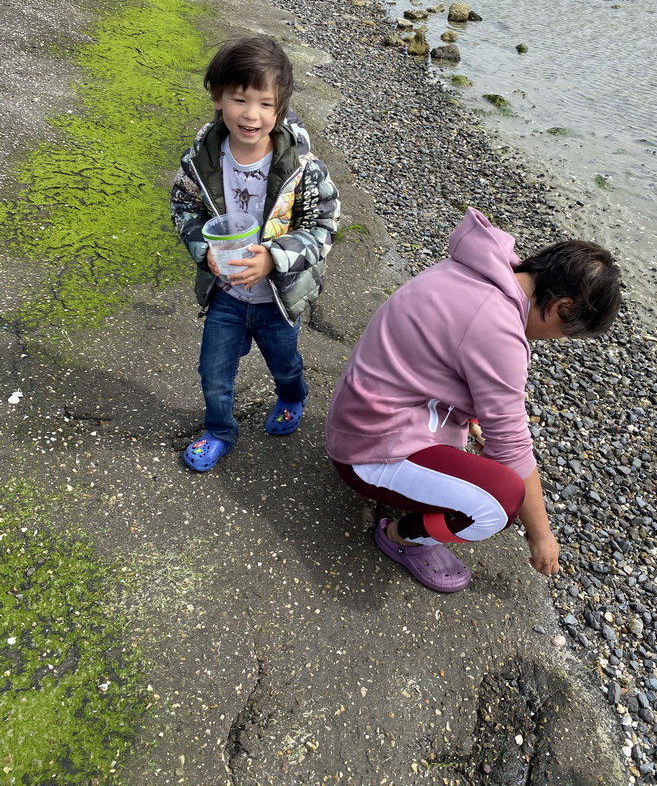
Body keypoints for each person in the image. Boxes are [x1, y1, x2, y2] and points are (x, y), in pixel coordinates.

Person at [325, 206, 620, 592]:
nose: (558, 339)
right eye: (567, 331)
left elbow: (441, 362)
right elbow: (512, 447)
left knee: (491, 467)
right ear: (561, 307)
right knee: (500, 502)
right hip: (368, 448)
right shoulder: (497, 327)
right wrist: (542, 536)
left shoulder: (480, 270)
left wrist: (475, 420)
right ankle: (400, 538)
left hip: (363, 415)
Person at [171, 35, 340, 471]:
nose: (251, 114)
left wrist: (274, 257)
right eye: (240, 99)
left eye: (266, 103)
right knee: (213, 374)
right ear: (217, 97)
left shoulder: (300, 167)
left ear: (280, 107)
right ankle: (220, 431)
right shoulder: (202, 160)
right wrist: (201, 249)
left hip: (277, 299)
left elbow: (324, 224)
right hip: (226, 294)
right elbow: (183, 206)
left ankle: (292, 396)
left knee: (284, 364)